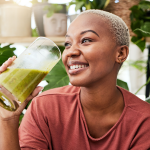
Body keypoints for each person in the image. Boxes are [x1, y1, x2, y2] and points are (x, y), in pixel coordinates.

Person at [0, 9, 150, 150]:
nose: (71, 51)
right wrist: (8, 119)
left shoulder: (144, 121)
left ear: (121, 53)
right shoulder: (45, 107)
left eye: (86, 40)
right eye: (67, 44)